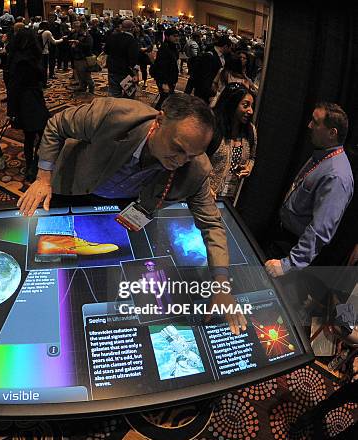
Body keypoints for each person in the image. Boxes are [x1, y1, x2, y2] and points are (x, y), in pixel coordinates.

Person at [17, 94, 247, 335]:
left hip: (125, 205)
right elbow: (57, 124)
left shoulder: (196, 169)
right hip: (74, 186)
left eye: (190, 155)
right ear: (159, 121)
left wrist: (221, 286)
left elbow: (212, 224)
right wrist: (43, 178)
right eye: (178, 149)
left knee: (105, 265)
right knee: (49, 254)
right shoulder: (114, 115)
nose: (180, 161)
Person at [265, 103, 354, 277]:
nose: (309, 126)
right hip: (281, 237)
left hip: (292, 251)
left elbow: (320, 231)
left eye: (315, 122)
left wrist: (288, 264)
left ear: (332, 133)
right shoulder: (323, 155)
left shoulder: (337, 176)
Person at [7, 28, 51, 182]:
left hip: (29, 99)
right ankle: (33, 166)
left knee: (32, 136)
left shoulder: (19, 57)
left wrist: (11, 109)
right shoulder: (27, 60)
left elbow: (12, 86)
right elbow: (15, 86)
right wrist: (11, 109)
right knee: (42, 133)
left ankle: (32, 165)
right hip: (29, 100)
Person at [208, 83, 257, 202]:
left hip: (230, 198)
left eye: (252, 106)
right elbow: (195, 161)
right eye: (245, 105)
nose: (250, 111)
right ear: (231, 104)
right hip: (206, 196)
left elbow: (252, 157)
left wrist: (249, 167)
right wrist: (205, 187)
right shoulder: (212, 128)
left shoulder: (250, 130)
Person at [104, 20, 140, 98]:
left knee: (114, 95)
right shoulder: (132, 41)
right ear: (132, 28)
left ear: (122, 27)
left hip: (112, 69)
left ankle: (115, 108)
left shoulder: (112, 37)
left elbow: (106, 51)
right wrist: (136, 74)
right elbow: (133, 59)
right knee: (129, 95)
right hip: (126, 72)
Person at [193, 36, 232, 104]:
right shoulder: (209, 56)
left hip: (212, 91)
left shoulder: (223, 56)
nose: (230, 50)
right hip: (204, 93)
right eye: (229, 48)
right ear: (225, 46)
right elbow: (204, 77)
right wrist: (209, 94)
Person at [151, 27, 180, 109]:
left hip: (171, 78)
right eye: (174, 36)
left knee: (166, 100)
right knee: (164, 101)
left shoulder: (173, 47)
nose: (177, 38)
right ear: (167, 37)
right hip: (164, 80)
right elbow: (161, 67)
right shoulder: (164, 48)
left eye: (177, 36)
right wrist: (164, 83)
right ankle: (155, 116)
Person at [69, 21, 95, 94]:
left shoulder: (88, 36)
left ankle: (91, 88)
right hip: (76, 57)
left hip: (84, 58)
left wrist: (78, 43)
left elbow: (89, 46)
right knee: (79, 74)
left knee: (86, 75)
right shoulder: (76, 34)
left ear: (82, 28)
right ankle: (82, 87)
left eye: (78, 27)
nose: (76, 29)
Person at [38, 21, 64, 85]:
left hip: (39, 51)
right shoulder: (47, 32)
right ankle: (44, 83)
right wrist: (62, 39)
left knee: (41, 67)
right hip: (45, 51)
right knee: (45, 68)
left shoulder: (37, 31)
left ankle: (41, 81)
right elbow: (54, 42)